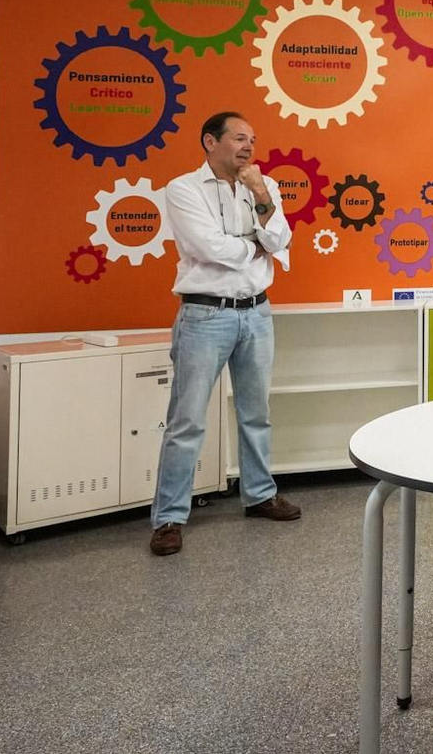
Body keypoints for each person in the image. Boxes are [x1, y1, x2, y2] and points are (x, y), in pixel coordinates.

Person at [149, 112, 298, 556]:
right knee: (187, 421)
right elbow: (209, 247)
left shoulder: (263, 186)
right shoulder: (184, 188)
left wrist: (261, 196)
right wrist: (256, 244)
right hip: (205, 315)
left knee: (256, 413)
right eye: (238, 138)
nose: (248, 146)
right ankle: (169, 518)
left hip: (257, 312)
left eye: (252, 139)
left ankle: (260, 495)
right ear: (210, 142)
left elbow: (281, 239)